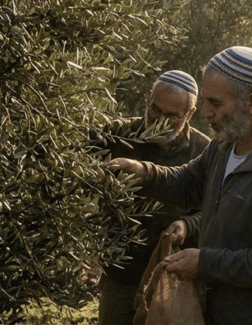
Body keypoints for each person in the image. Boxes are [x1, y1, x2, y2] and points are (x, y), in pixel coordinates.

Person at [109, 46, 252, 325]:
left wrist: (205, 263)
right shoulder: (226, 143)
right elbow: (188, 183)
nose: (205, 113)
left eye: (215, 103)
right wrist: (143, 173)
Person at [93, 70, 210, 325]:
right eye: (155, 109)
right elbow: (75, 165)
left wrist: (187, 225)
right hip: (120, 275)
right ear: (148, 99)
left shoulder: (204, 151)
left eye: (171, 115)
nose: (159, 120)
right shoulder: (116, 135)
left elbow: (214, 209)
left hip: (172, 277)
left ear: (189, 114)